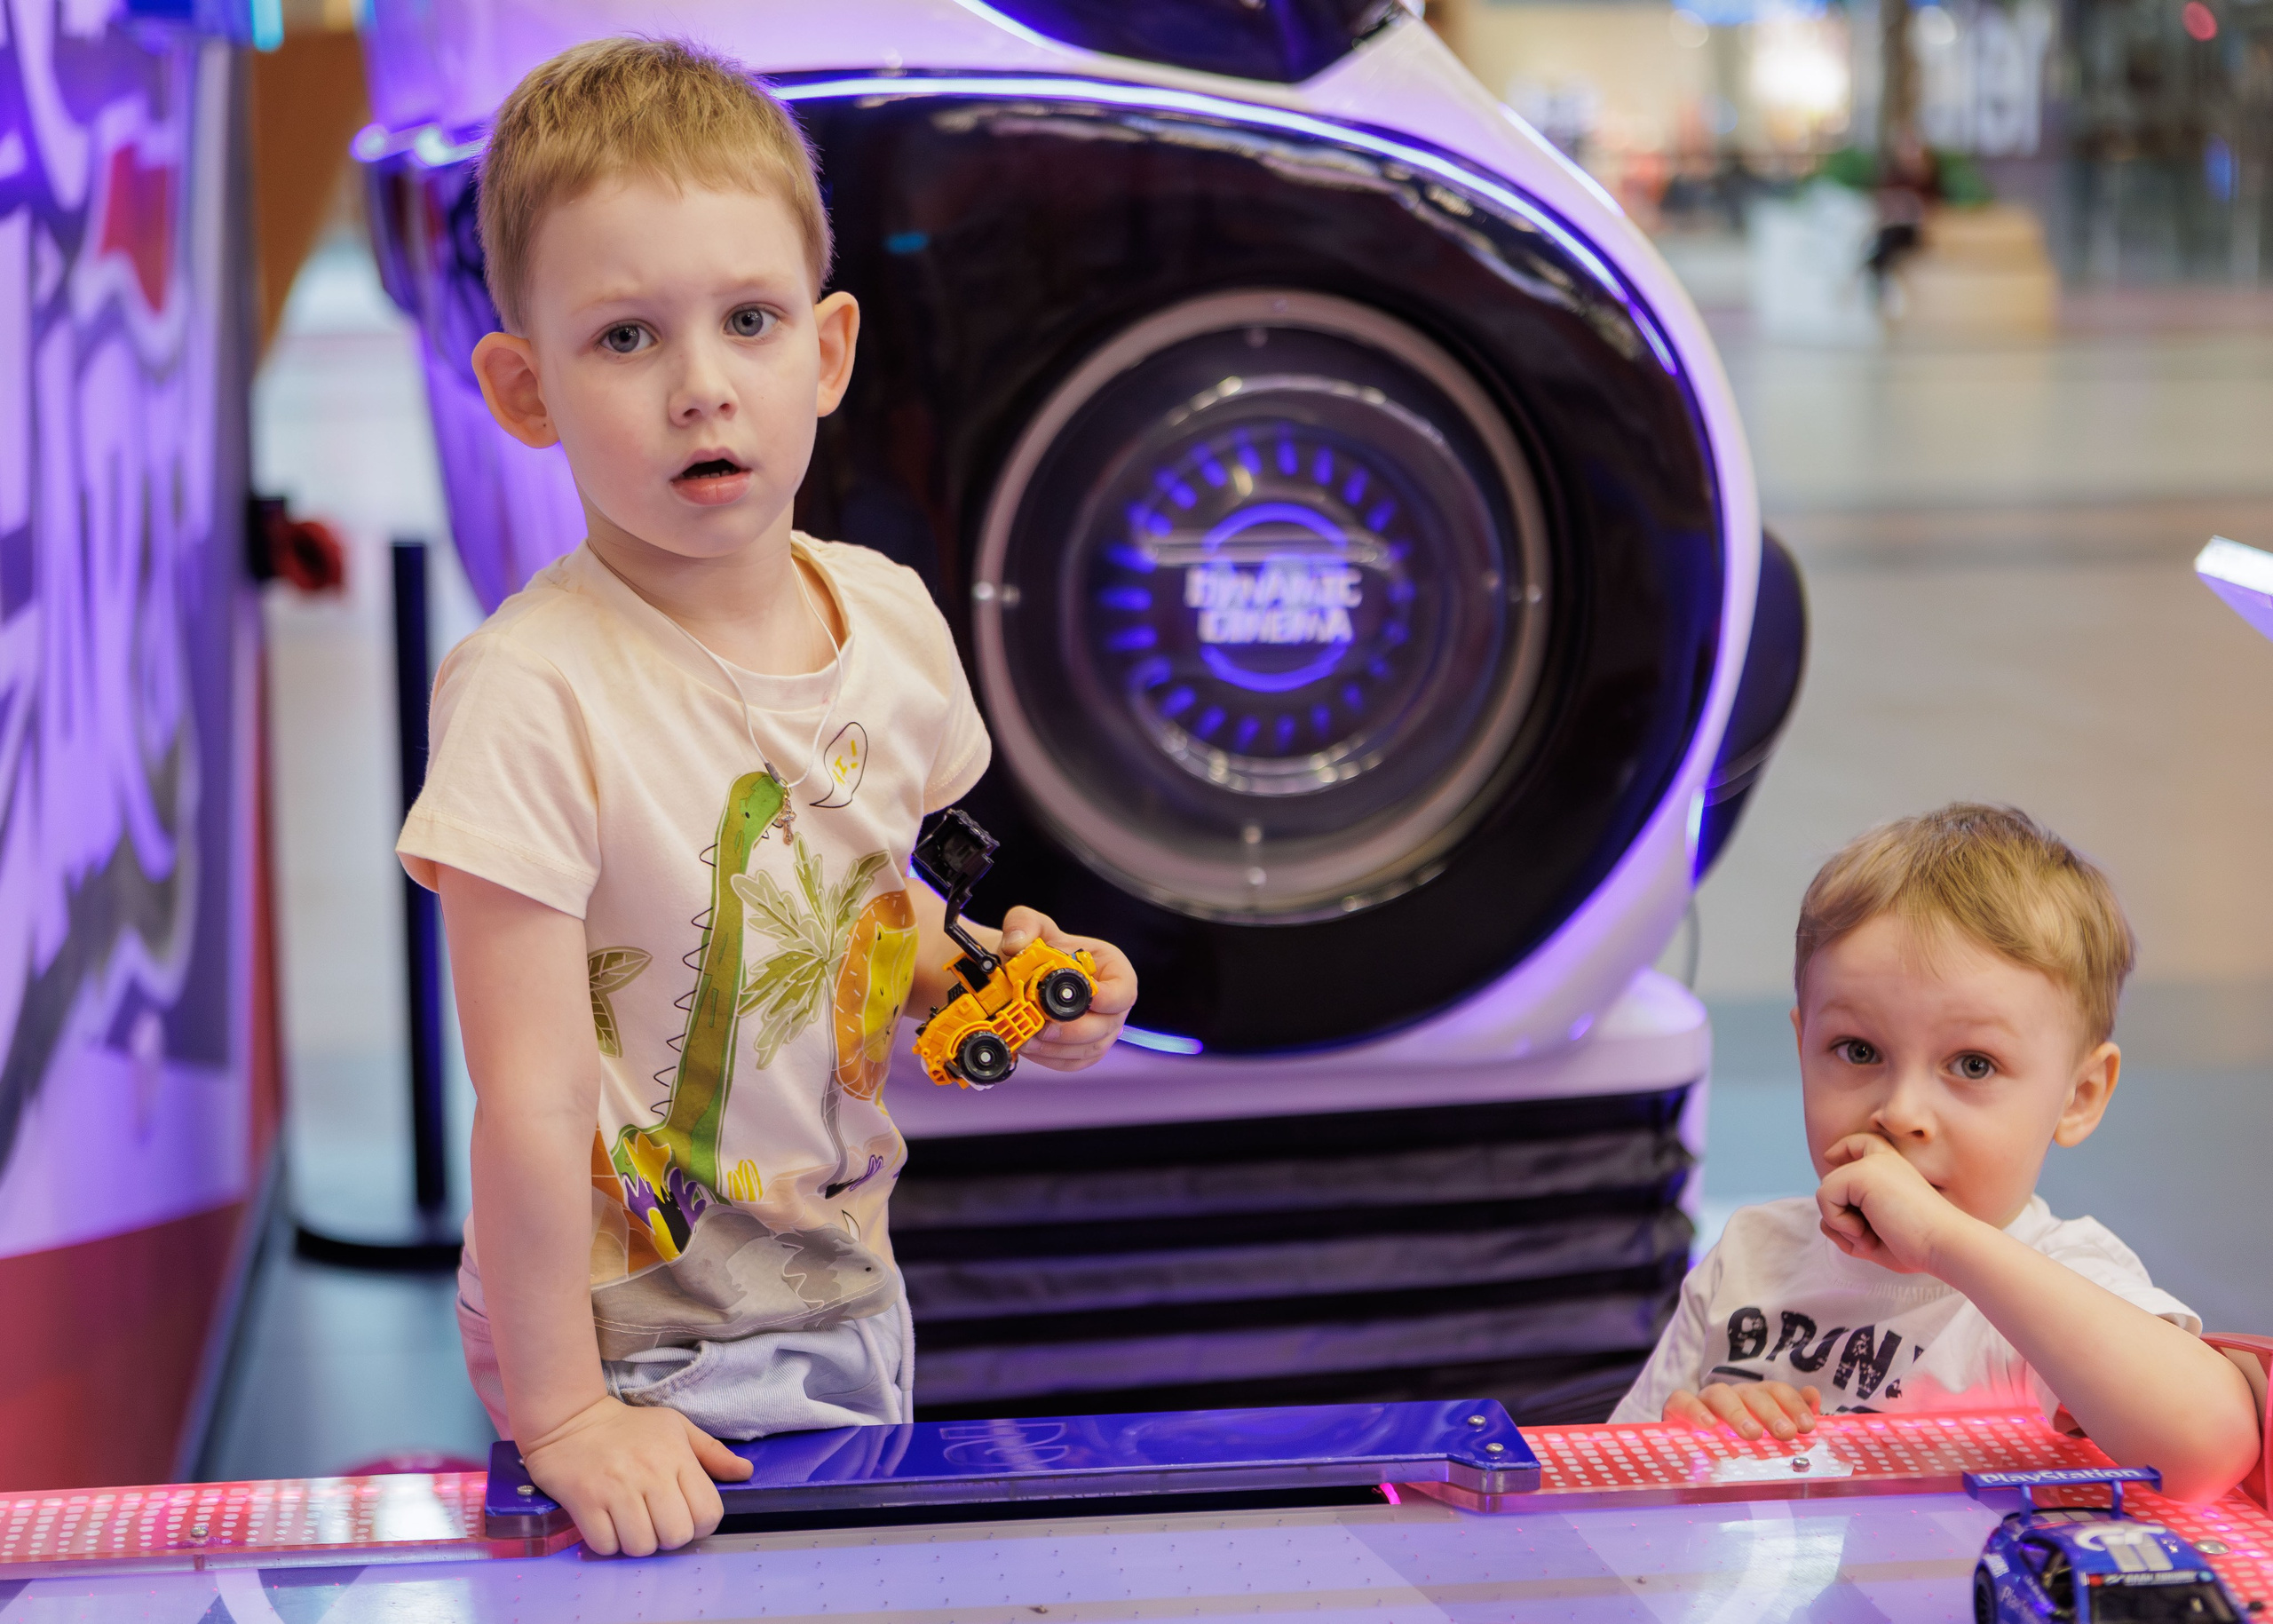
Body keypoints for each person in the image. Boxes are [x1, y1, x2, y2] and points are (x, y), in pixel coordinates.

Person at [395, 37, 1138, 1557]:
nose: (700, 388)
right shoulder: (530, 694)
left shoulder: (892, 625)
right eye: (624, 338)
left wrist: (1000, 978)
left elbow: (876, 918)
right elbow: (528, 1105)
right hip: (624, 1326)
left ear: (827, 347)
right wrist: (565, 1415)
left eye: (748, 319)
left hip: (840, 1268)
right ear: (523, 387)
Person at [1612, 804, 2259, 1502]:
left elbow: (2211, 1445)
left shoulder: (2059, 1280)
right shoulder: (1750, 1255)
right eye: (1857, 1051)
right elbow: (1607, 1496)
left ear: (2079, 1095)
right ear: (1803, 1048)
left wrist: (1946, 1242)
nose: (1901, 1112)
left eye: (1973, 1064)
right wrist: (1687, 1445)